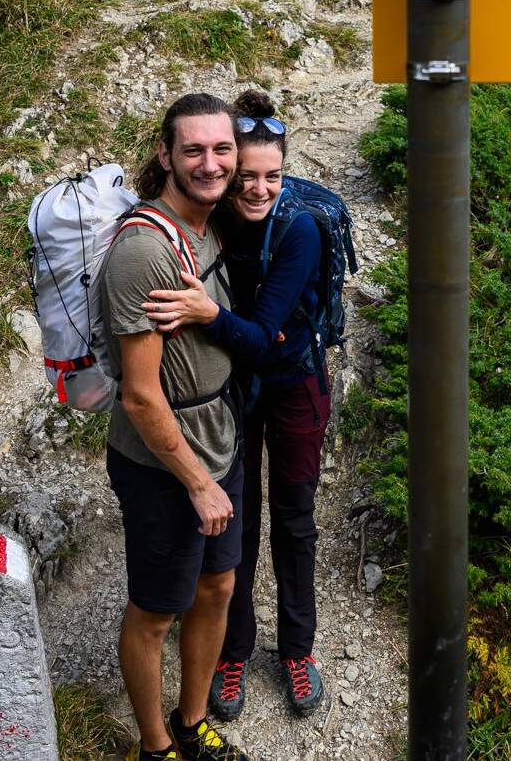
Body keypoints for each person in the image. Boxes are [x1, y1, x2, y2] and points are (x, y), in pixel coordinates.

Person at [141, 89, 331, 722]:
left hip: (293, 382)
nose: (257, 189)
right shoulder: (213, 219)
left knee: (295, 518)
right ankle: (234, 648)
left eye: (272, 176)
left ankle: (297, 650)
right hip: (237, 391)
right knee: (237, 519)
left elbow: (255, 336)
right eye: (245, 175)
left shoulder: (298, 229)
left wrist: (207, 312)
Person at [99, 92, 251, 761]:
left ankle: (192, 725)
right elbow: (138, 395)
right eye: (193, 149)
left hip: (222, 441)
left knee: (218, 584)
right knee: (155, 611)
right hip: (164, 466)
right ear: (165, 154)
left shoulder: (209, 221)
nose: (210, 162)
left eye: (222, 148)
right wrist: (196, 481)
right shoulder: (142, 250)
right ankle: (155, 746)